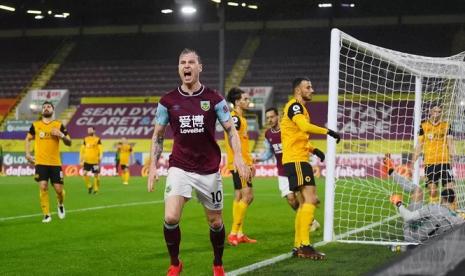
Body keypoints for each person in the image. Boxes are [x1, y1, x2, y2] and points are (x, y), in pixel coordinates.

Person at [147, 48, 251, 276]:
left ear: (199, 68)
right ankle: (175, 263)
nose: (187, 66)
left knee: (215, 222)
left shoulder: (214, 98)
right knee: (171, 217)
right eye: (183, 62)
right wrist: (153, 165)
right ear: (179, 68)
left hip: (208, 169)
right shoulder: (167, 101)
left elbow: (231, 130)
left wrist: (240, 157)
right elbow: (158, 135)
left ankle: (217, 262)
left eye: (191, 62)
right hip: (179, 166)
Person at [281, 77, 340, 259]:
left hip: (298, 158)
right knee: (311, 199)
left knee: (305, 201)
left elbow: (298, 135)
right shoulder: (294, 106)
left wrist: (314, 149)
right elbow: (304, 127)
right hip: (297, 160)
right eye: (308, 87)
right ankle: (305, 245)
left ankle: (299, 245)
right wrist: (328, 131)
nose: (312, 90)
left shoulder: (301, 109)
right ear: (298, 90)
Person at [255, 107, 321, 234]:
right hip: (282, 172)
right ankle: (312, 221)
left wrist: (312, 162)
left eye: (272, 117)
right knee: (291, 199)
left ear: (278, 116)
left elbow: (303, 144)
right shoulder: (268, 134)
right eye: (267, 118)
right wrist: (259, 159)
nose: (270, 119)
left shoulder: (288, 129)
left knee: (302, 196)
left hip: (295, 167)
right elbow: (269, 152)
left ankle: (307, 222)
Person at [385, 157, 464, 243]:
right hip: (431, 240)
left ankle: (391, 172)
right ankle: (392, 172)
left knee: (417, 191)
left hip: (411, 236)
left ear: (442, 198)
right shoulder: (456, 218)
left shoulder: (433, 208)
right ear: (453, 201)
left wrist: (398, 203)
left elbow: (408, 217)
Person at [25, 101, 72, 223]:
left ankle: (60, 204)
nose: (46, 108)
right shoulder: (35, 125)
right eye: (44, 107)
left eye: (49, 107)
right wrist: (27, 154)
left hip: (55, 163)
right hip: (40, 163)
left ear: (52, 110)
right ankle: (46, 214)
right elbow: (28, 139)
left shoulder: (58, 125)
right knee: (43, 186)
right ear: (42, 111)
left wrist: (61, 135)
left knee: (59, 190)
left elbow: (69, 142)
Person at [224, 87, 257, 246]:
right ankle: (233, 233)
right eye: (244, 99)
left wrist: (250, 161)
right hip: (239, 164)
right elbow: (233, 139)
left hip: (240, 162)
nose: (247, 101)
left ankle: (239, 233)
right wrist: (243, 163)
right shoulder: (235, 118)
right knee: (248, 196)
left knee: (238, 196)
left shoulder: (239, 118)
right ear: (237, 102)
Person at [412, 105, 455, 203]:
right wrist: (412, 162)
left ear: (441, 113)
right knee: (432, 191)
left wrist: (452, 157)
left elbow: (450, 143)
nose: (437, 113)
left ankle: (450, 212)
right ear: (430, 112)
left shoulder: (446, 125)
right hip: (430, 163)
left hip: (445, 162)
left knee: (450, 190)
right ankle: (434, 211)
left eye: (439, 111)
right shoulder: (423, 126)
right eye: (435, 111)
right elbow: (419, 146)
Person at [80, 127, 103, 194]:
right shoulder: (85, 139)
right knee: (84, 174)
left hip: (95, 161)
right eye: (88, 130)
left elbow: (100, 148)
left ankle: (96, 189)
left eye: (90, 130)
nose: (89, 131)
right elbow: (82, 150)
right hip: (87, 161)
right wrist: (81, 159)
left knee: (96, 175)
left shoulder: (97, 139)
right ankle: (89, 186)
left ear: (94, 131)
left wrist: (101, 155)